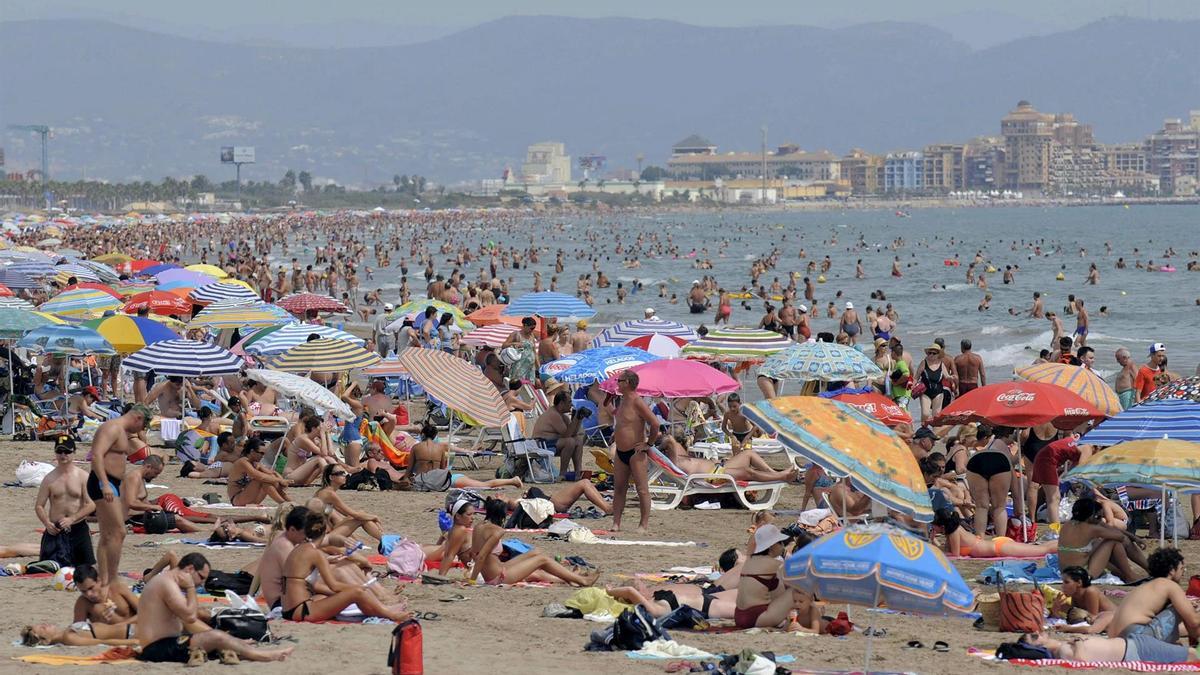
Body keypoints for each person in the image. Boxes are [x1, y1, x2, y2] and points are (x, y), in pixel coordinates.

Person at [136, 552, 294, 664]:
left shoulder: (168, 582)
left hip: (162, 644)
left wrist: (231, 639)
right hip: (157, 648)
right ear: (190, 569)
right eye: (201, 578)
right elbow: (190, 617)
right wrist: (190, 587)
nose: (201, 584)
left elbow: (188, 622)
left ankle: (236, 648)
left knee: (217, 637)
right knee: (216, 638)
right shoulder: (167, 584)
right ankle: (265, 656)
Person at [279, 511, 411, 623]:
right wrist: (362, 589)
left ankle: (379, 606)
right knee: (357, 592)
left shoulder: (301, 549)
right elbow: (334, 586)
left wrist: (343, 541)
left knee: (335, 595)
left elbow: (331, 539)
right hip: (302, 611)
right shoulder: (315, 553)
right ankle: (388, 613)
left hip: (290, 608)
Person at [462, 498, 599, 586]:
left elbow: (474, 553)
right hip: (498, 576)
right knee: (542, 560)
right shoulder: (497, 531)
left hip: (498, 569)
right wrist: (472, 580)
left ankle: (572, 577)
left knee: (536, 553)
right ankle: (582, 580)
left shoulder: (478, 527)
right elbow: (481, 556)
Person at [90, 404, 152, 586]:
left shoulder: (121, 431)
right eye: (142, 426)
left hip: (111, 483)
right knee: (119, 531)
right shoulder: (112, 428)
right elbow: (96, 455)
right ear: (138, 418)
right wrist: (105, 484)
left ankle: (104, 577)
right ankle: (112, 578)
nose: (140, 430)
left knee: (107, 534)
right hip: (103, 482)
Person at [1108, 548, 1200, 656]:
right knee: (1182, 609)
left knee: (1178, 644)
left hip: (1118, 641)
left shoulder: (1145, 587)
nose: (1183, 573)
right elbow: (1193, 621)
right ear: (1171, 570)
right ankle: (1196, 643)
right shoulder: (1169, 585)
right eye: (1182, 569)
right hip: (1137, 637)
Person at [406, 421, 522, 491]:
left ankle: (513, 480)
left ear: (422, 434)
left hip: (432, 481)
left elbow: (408, 472)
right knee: (484, 485)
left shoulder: (416, 448)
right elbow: (442, 471)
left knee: (484, 485)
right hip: (444, 480)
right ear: (435, 435)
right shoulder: (441, 447)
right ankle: (512, 481)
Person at [35, 435, 95, 568]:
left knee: (87, 569)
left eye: (67, 451)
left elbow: (91, 504)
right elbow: (39, 506)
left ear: (74, 452)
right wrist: (47, 523)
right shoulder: (49, 479)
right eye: (59, 451)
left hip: (78, 529)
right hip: (55, 530)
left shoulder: (83, 476)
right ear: (55, 453)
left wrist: (72, 519)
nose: (63, 455)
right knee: (48, 569)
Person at [610, 370, 659, 534]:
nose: (617, 383)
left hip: (635, 452)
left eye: (619, 380)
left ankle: (643, 525)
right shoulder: (622, 400)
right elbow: (624, 423)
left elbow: (655, 423)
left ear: (628, 383)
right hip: (620, 451)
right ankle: (616, 523)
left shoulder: (637, 401)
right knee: (619, 488)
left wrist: (649, 444)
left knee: (642, 489)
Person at [1058, 498, 1148, 583]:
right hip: (1082, 575)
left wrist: (1134, 538)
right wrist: (1134, 538)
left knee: (1098, 543)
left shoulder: (1067, 525)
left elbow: (1110, 528)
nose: (1101, 519)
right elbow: (1120, 537)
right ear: (1091, 516)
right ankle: (1131, 575)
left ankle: (1128, 573)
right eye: (1098, 517)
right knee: (1114, 542)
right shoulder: (1091, 529)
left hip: (1067, 573)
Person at [734, 524, 802, 629]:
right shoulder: (775, 565)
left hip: (739, 616)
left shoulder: (750, 561)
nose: (783, 546)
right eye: (780, 542)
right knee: (799, 590)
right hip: (758, 617)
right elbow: (779, 597)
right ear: (772, 545)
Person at [661, 434, 796, 483]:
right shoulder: (674, 462)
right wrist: (654, 444)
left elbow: (671, 440)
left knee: (748, 453)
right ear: (667, 449)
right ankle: (782, 476)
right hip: (713, 475)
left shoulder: (678, 456)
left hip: (719, 467)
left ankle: (775, 474)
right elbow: (669, 440)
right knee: (748, 472)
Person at [964, 425, 1019, 537]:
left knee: (981, 506)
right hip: (999, 460)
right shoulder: (1002, 446)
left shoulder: (991, 443)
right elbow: (1012, 467)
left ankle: (979, 538)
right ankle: (1001, 539)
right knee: (999, 506)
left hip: (977, 459)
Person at [123, 456, 201, 533]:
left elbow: (142, 500)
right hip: (132, 518)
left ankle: (201, 529)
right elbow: (131, 502)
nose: (155, 476)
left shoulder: (140, 477)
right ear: (148, 467)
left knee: (173, 515)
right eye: (156, 473)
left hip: (141, 514)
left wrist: (156, 509)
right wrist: (152, 507)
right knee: (176, 519)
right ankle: (202, 531)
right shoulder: (134, 477)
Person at [935, 510, 1057, 558]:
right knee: (1040, 548)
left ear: (942, 526)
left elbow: (955, 555)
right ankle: (1063, 544)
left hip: (999, 548)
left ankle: (1065, 546)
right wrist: (933, 539)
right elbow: (946, 549)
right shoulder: (953, 531)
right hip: (998, 546)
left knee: (1042, 550)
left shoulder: (954, 532)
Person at [314, 464, 385, 545]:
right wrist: (374, 517)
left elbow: (347, 515)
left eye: (344, 473)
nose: (344, 475)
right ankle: (385, 540)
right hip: (321, 538)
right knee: (360, 517)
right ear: (331, 477)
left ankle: (383, 539)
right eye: (340, 473)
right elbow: (355, 515)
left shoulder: (324, 492)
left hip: (321, 534)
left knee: (359, 515)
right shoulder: (329, 493)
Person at [1019, 631, 1188, 664]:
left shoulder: (1063, 645)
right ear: (1036, 647)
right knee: (1190, 654)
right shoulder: (1062, 651)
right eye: (1034, 637)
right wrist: (1078, 641)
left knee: (1183, 650)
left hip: (1133, 644)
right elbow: (1081, 661)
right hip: (1135, 650)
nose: (1037, 632)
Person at [532, 390, 585, 479]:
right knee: (569, 442)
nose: (571, 405)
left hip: (550, 442)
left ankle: (578, 472)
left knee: (578, 440)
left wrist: (579, 418)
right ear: (561, 404)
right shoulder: (553, 414)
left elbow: (573, 433)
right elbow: (567, 435)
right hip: (540, 444)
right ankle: (562, 474)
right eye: (569, 402)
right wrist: (576, 417)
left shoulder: (562, 416)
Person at [1052, 566, 1115, 634]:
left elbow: (1092, 618)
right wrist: (1056, 609)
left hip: (1114, 619)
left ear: (1079, 582)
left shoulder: (1091, 591)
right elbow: (1074, 617)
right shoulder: (1075, 594)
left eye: (1066, 582)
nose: (1062, 586)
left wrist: (1065, 610)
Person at [228, 438, 291, 506]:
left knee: (270, 477)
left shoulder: (255, 463)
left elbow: (272, 473)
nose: (262, 456)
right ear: (252, 451)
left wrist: (281, 481)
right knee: (261, 480)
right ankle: (283, 503)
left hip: (251, 498)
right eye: (261, 453)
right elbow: (260, 477)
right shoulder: (243, 462)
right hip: (237, 499)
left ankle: (288, 501)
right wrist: (280, 480)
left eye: (264, 454)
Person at [916, 343, 952, 426]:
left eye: (934, 353)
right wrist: (912, 385)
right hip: (925, 392)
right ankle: (923, 430)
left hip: (938, 393)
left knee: (936, 416)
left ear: (938, 354)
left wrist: (951, 378)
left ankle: (934, 432)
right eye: (929, 353)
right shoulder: (924, 363)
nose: (931, 355)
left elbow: (946, 376)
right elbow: (916, 376)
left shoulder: (941, 364)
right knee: (925, 414)